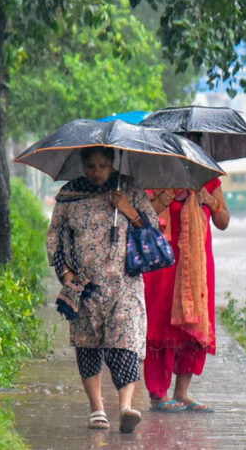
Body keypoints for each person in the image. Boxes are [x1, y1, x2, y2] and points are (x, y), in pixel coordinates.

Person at [47, 146, 158, 433]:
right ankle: (97, 408)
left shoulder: (129, 189)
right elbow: (56, 236)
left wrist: (128, 209)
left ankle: (125, 407)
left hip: (124, 285)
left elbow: (152, 229)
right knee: (88, 347)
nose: (97, 173)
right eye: (91, 166)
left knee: (124, 345)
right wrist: (66, 273)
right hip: (85, 286)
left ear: (113, 164)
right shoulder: (70, 195)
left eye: (102, 166)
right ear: (83, 164)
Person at [142, 175, 230, 412]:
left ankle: (182, 393)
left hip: (196, 265)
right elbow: (142, 216)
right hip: (162, 260)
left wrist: (210, 201)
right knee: (160, 321)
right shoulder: (156, 174)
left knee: (194, 321)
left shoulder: (209, 179)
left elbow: (223, 221)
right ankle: (158, 394)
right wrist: (166, 196)